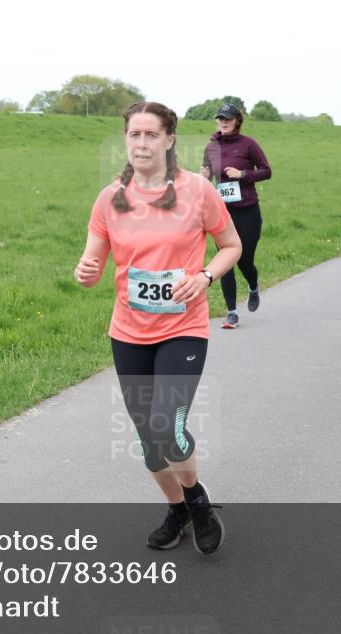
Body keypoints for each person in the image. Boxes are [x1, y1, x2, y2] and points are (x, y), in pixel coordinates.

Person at [75, 102, 241, 555]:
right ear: (125, 140)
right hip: (128, 331)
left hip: (183, 327)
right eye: (134, 135)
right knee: (148, 439)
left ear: (170, 140)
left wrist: (205, 277)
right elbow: (93, 258)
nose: (142, 143)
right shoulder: (110, 199)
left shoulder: (198, 191)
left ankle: (196, 498)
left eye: (151, 135)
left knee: (168, 424)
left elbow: (231, 245)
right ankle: (178, 509)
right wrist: (86, 271)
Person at [200, 103, 272, 329]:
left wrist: (243, 174)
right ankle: (231, 313)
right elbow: (207, 176)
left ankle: (252, 286)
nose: (223, 122)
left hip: (248, 210)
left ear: (237, 121)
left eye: (228, 118)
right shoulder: (211, 147)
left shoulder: (248, 144)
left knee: (244, 260)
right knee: (226, 261)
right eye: (220, 118)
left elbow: (266, 171)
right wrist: (203, 176)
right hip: (222, 212)